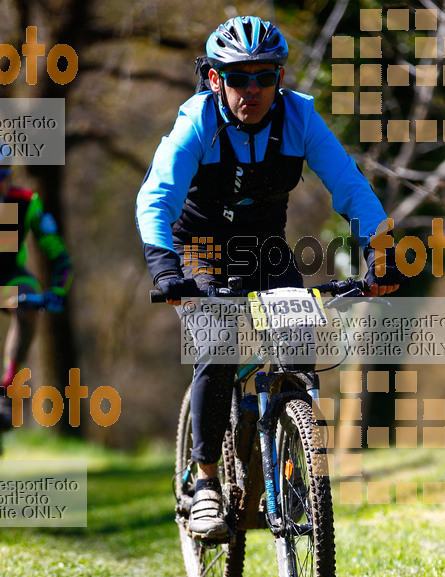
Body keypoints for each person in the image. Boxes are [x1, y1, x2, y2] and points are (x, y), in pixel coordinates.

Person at [136, 15, 405, 540]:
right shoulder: (196, 123)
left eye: (265, 76)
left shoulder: (300, 117)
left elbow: (350, 187)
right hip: (202, 250)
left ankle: (287, 457)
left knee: (301, 343)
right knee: (218, 347)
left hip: (264, 249)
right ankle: (206, 484)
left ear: (280, 77)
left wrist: (380, 251)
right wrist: (165, 267)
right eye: (238, 78)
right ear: (216, 80)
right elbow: (157, 196)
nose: (252, 90)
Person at [0, 145, 73, 429]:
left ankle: (7, 388)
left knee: (25, 301)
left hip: (9, 278)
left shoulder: (25, 202)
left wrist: (57, 291)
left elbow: (61, 259)